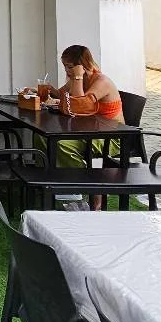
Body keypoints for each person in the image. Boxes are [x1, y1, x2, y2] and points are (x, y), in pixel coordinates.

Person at [53, 45, 124, 209]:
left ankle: (86, 190)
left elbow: (79, 106)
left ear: (82, 65)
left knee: (61, 144)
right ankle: (61, 184)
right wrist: (46, 89)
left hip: (112, 137)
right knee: (43, 139)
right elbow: (60, 94)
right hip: (90, 132)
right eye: (65, 66)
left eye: (70, 67)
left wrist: (77, 77)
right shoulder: (78, 80)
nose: (67, 71)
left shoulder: (102, 82)